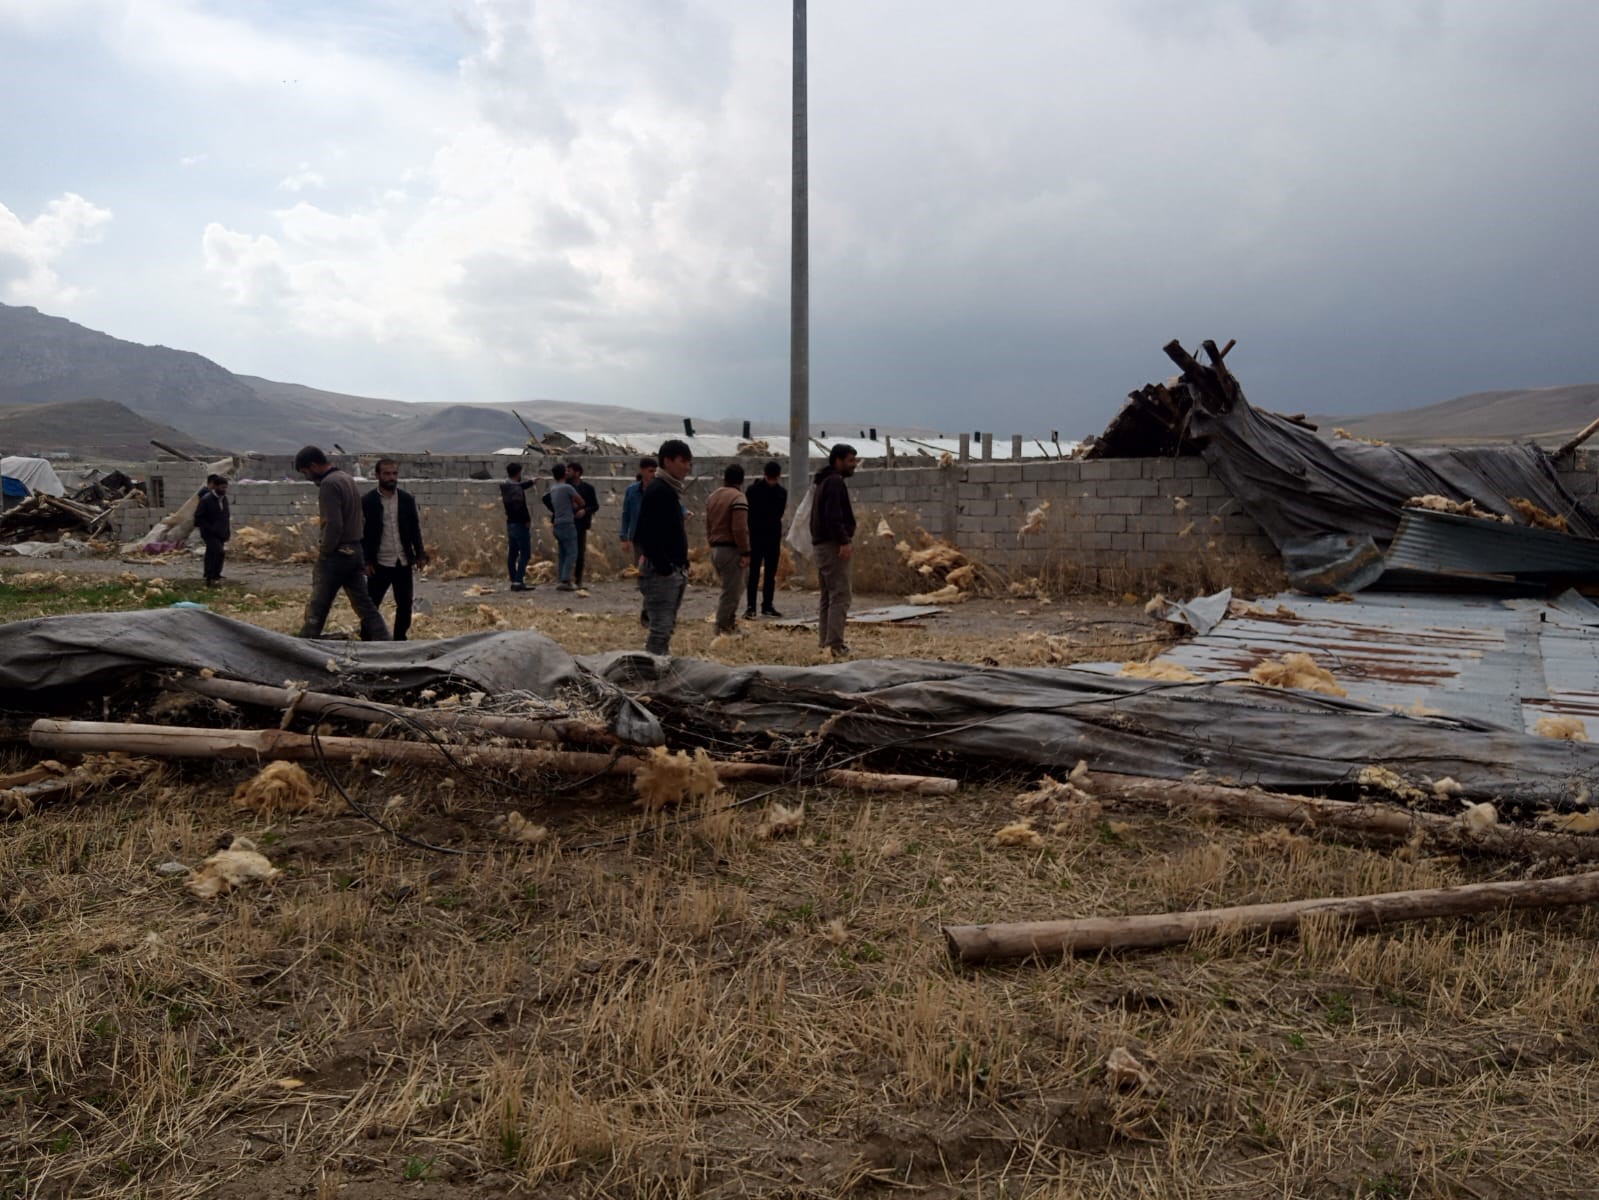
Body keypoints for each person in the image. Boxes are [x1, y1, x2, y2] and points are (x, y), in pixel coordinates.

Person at [294, 446, 390, 641]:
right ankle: (385, 643)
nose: (307, 477)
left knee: (318, 606)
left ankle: (304, 645)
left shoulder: (329, 484)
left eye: (305, 472)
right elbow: (361, 518)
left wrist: (326, 551)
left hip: (337, 553)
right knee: (365, 606)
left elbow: (333, 523)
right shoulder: (346, 478)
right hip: (355, 551)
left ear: (313, 465)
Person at [633, 439, 693, 654]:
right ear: (667, 462)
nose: (687, 466)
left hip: (672, 569)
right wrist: (664, 568)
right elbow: (645, 534)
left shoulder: (668, 489)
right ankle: (652, 673)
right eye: (683, 461)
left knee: (666, 628)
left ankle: (658, 668)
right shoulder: (660, 490)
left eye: (689, 462)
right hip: (662, 574)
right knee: (660, 630)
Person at [361, 458, 428, 641]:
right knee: (372, 605)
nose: (391, 477)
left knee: (405, 605)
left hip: (403, 561)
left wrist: (420, 554)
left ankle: (399, 641)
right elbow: (363, 534)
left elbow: (415, 529)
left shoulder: (406, 500)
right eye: (387, 474)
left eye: (394, 473)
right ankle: (367, 642)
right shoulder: (368, 502)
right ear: (377, 475)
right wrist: (365, 561)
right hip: (379, 563)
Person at [810, 443, 859, 657]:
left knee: (828, 595)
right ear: (837, 460)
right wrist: (844, 541)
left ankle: (826, 643)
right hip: (832, 545)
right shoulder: (834, 482)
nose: (853, 465)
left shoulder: (824, 482)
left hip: (822, 546)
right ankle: (836, 645)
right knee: (840, 594)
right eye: (850, 461)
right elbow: (833, 516)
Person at [705, 464, 751, 635]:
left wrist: (711, 541)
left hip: (716, 548)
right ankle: (723, 627)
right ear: (741, 480)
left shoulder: (713, 497)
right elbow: (739, 528)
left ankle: (728, 624)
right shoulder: (738, 498)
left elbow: (708, 524)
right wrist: (745, 551)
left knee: (729, 588)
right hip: (731, 549)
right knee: (732, 591)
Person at [744, 460, 787, 619]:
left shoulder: (756, 490)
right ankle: (752, 606)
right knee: (755, 573)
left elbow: (778, 514)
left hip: (767, 537)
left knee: (769, 573)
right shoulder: (758, 490)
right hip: (760, 536)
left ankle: (764, 605)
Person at [619, 456, 658, 628]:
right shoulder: (632, 491)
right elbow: (626, 514)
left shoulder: (659, 489)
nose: (653, 475)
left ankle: (651, 612)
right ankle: (648, 608)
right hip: (639, 539)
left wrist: (684, 512)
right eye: (650, 471)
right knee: (642, 575)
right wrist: (624, 537)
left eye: (655, 471)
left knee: (657, 576)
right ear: (642, 471)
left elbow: (674, 504)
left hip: (658, 539)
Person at [541, 463, 585, 592]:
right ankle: (565, 580)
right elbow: (581, 502)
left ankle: (561, 578)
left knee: (562, 553)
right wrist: (575, 506)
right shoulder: (568, 488)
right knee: (572, 552)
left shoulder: (554, 489)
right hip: (567, 523)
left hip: (557, 523)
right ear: (564, 473)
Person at [501, 462, 535, 591]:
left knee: (513, 553)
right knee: (525, 553)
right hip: (520, 523)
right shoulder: (516, 489)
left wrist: (531, 482)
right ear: (518, 473)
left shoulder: (506, 485)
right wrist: (527, 519)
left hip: (510, 523)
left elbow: (519, 486)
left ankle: (514, 579)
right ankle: (519, 580)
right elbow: (520, 506)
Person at [566, 461, 599, 589]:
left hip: (581, 524)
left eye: (570, 470)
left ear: (577, 473)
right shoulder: (565, 486)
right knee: (566, 552)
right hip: (568, 523)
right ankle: (565, 579)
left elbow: (595, 505)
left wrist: (585, 511)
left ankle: (577, 580)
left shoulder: (588, 488)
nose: (567, 473)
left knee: (580, 553)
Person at [194, 474, 230, 587]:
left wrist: (227, 531)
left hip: (221, 532)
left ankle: (211, 575)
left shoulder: (224, 499)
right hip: (209, 533)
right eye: (222, 487)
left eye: (225, 487)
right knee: (219, 552)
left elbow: (225, 515)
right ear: (216, 487)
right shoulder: (206, 499)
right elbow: (198, 517)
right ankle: (213, 575)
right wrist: (210, 528)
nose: (224, 490)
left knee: (211, 553)